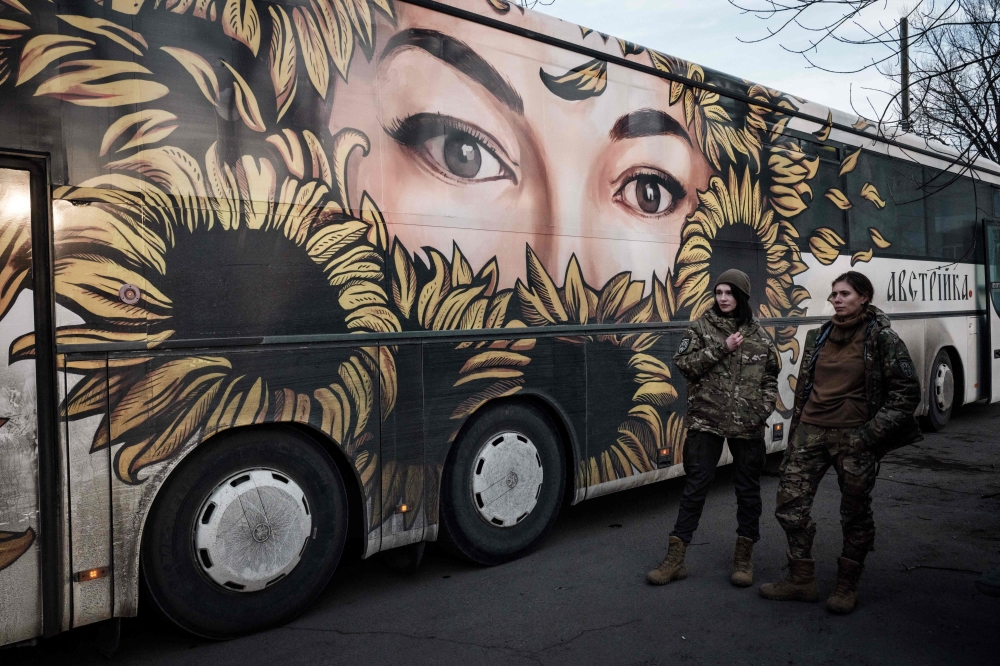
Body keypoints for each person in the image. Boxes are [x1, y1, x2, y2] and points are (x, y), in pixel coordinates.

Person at [760, 271, 921, 614]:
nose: (836, 299)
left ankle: (847, 584)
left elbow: (907, 392)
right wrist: (796, 429)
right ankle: (801, 579)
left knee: (855, 513)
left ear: (864, 297)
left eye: (845, 293)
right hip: (810, 432)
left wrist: (870, 434)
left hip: (855, 437)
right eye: (834, 294)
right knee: (789, 505)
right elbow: (805, 386)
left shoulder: (882, 339)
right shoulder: (818, 336)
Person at [647, 269, 779, 588]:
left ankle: (744, 558)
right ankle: (675, 559)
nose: (722, 298)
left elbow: (771, 379)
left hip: (746, 427)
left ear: (742, 296)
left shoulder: (759, 336)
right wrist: (722, 348)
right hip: (706, 422)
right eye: (718, 292)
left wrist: (759, 412)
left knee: (747, 491)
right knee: (696, 486)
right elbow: (683, 365)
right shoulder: (702, 327)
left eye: (729, 293)